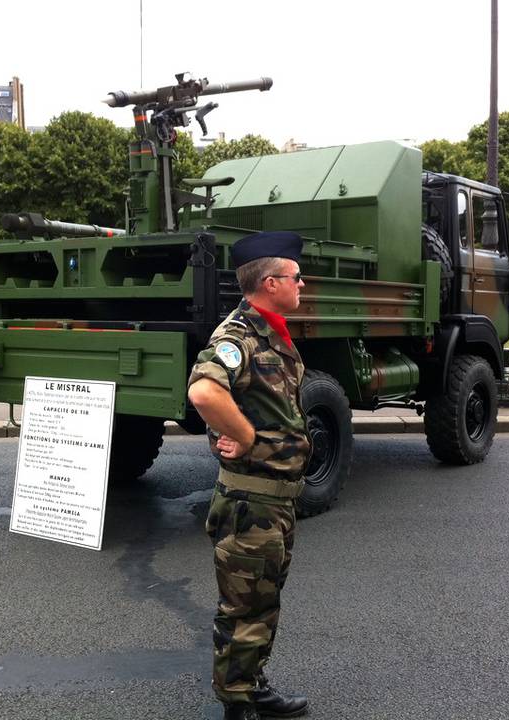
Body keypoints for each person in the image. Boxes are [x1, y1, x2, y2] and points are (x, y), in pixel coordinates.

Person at [187, 231, 311, 720]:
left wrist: (242, 431)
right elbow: (204, 393)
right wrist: (248, 438)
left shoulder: (269, 330)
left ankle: (252, 685)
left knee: (262, 605)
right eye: (297, 277)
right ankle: (237, 704)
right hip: (251, 503)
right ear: (272, 281)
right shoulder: (237, 335)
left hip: (274, 502)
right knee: (243, 610)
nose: (303, 284)